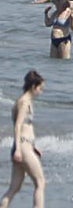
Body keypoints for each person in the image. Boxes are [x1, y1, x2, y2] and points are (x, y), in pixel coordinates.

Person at [0, 71, 45, 208]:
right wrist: (19, 150)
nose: (41, 92)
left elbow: (26, 127)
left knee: (14, 188)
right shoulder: (24, 102)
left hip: (25, 146)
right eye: (40, 88)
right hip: (22, 147)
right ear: (33, 87)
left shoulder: (26, 102)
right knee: (40, 182)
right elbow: (18, 125)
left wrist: (34, 146)